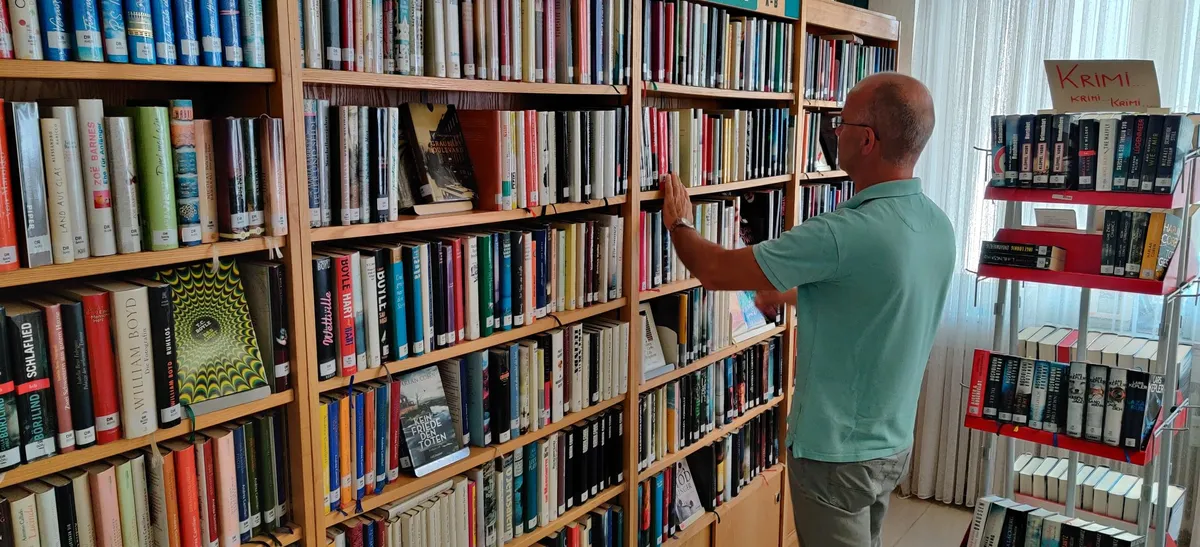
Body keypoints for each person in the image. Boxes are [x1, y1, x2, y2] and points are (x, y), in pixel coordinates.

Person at [659, 72, 953, 547]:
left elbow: (714, 270)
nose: (833, 132)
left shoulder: (842, 233)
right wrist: (792, 293)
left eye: (842, 123)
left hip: (836, 455)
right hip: (892, 443)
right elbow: (878, 295)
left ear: (867, 140)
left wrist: (679, 223)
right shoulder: (937, 225)